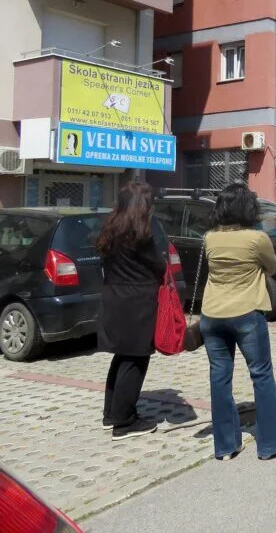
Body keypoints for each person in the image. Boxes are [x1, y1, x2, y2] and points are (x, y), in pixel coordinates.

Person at [200, 183, 276, 461]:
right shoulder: (257, 238)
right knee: (261, 375)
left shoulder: (209, 238)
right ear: (248, 208)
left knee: (219, 377)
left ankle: (226, 447)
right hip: (247, 313)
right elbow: (271, 267)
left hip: (212, 315)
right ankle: (270, 445)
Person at [97, 181, 165, 440]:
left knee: (121, 357)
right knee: (135, 359)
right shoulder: (141, 234)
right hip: (137, 303)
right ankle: (124, 421)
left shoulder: (110, 228)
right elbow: (157, 266)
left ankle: (110, 414)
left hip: (114, 298)